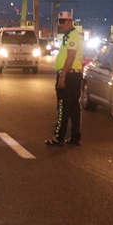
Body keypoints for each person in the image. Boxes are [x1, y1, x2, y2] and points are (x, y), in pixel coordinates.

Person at [45, 11, 84, 147]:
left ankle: (58, 137)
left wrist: (63, 76)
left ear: (70, 21)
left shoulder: (73, 36)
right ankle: (74, 137)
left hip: (69, 75)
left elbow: (71, 56)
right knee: (73, 107)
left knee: (63, 107)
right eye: (59, 22)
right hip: (73, 74)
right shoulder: (70, 35)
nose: (61, 24)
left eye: (63, 22)